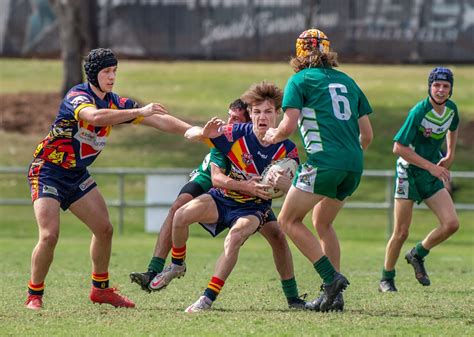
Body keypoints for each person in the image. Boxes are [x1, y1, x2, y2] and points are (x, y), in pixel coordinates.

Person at [25, 48, 193, 310]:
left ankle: (100, 290)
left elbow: (159, 120)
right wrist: (139, 111)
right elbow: (93, 116)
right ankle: (34, 295)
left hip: (76, 174)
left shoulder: (115, 101)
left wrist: (194, 131)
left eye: (114, 71)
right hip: (47, 169)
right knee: (49, 235)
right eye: (106, 72)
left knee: (104, 229)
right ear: (93, 74)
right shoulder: (77, 95)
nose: (112, 77)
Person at [150, 81, 310, 312]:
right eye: (256, 112)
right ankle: (176, 265)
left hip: (253, 208)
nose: (262, 117)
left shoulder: (287, 150)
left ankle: (207, 299)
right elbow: (195, 139)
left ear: (278, 114)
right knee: (181, 215)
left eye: (267, 112)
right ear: (251, 114)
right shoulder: (234, 134)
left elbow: (295, 187)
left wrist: (287, 185)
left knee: (238, 237)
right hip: (222, 197)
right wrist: (202, 134)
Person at [263, 28, 374, 312]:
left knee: (288, 220)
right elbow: (368, 136)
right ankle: (334, 299)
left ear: (299, 53)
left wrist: (270, 135)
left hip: (323, 162)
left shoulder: (299, 80)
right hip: (353, 165)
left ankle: (331, 279)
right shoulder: (348, 81)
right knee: (322, 221)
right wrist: (348, 158)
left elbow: (287, 127)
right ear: (327, 51)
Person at [129, 99, 250, 291]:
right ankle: (154, 270)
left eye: (235, 119)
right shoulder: (221, 134)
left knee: (276, 234)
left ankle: (293, 295)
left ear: (247, 123)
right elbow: (189, 131)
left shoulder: (254, 139)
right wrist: (202, 132)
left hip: (235, 189)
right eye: (229, 116)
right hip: (208, 177)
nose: (229, 122)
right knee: (178, 207)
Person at [379, 67, 459, 292]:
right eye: (436, 85)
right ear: (430, 87)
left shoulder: (451, 110)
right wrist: (431, 167)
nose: (441, 90)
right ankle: (386, 277)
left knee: (451, 224)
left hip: (430, 172)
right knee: (401, 232)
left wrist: (450, 154)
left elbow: (453, 127)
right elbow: (398, 148)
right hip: (408, 173)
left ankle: (417, 253)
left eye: (445, 86)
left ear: (451, 89)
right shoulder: (419, 111)